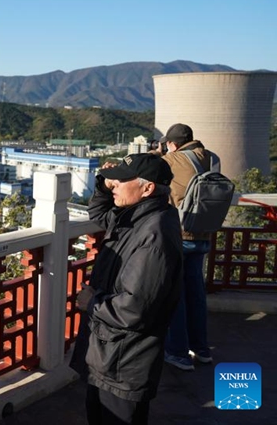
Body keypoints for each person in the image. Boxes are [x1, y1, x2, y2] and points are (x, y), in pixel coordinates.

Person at [70, 153, 183, 425]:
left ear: (147, 188)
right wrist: (103, 185)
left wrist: (92, 302)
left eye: (122, 180)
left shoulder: (154, 235)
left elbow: (135, 309)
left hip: (124, 360)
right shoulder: (136, 218)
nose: (115, 185)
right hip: (111, 354)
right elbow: (98, 213)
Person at [158, 123, 217, 371]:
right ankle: (202, 350)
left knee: (176, 293)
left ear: (172, 143)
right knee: (195, 291)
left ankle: (178, 353)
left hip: (180, 233)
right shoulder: (212, 158)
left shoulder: (171, 159)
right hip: (205, 233)